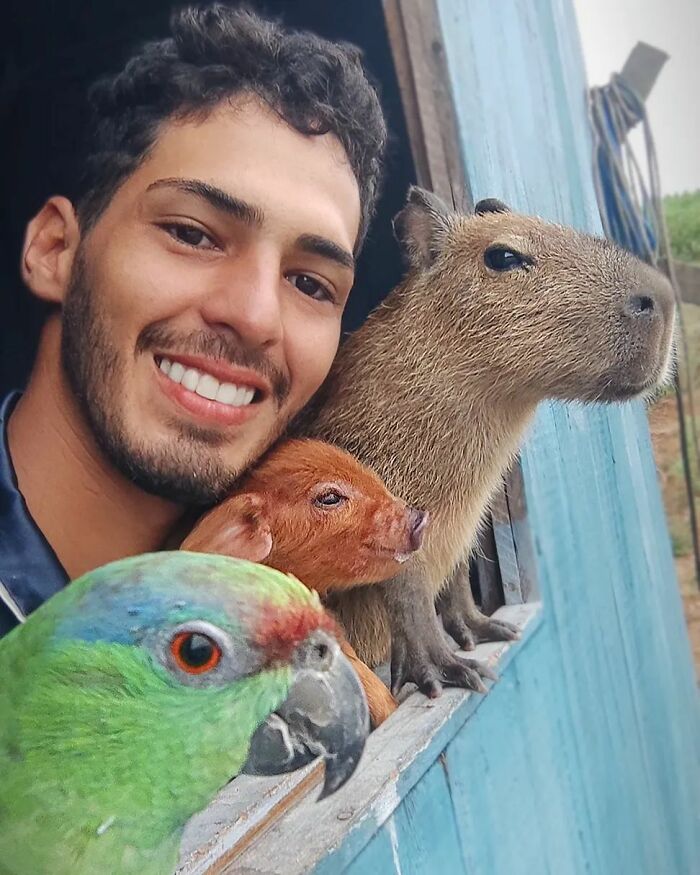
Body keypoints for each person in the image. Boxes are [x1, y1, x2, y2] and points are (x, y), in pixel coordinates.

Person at [0, 3, 387, 637]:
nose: (257, 314)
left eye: (310, 283)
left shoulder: (300, 646)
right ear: (54, 252)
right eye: (192, 234)